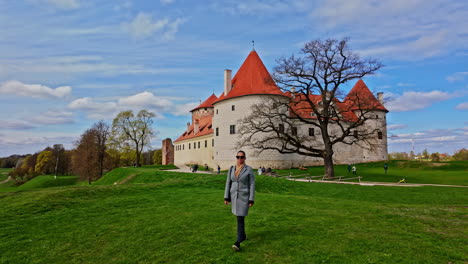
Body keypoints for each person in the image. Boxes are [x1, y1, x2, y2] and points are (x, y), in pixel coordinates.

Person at [224, 150, 255, 251]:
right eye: (238, 157)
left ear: (245, 158)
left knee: (240, 218)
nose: (240, 159)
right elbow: (228, 183)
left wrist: (251, 199)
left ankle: (238, 241)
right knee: (239, 217)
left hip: (244, 197)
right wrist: (226, 197)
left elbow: (252, 184)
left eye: (242, 157)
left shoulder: (249, 170)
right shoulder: (232, 169)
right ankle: (243, 236)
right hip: (234, 197)